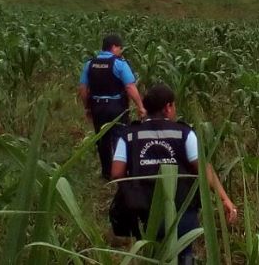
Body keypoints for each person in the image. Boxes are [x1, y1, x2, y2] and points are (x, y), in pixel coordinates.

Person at [109, 83, 237, 264]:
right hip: (181, 210)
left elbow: (116, 172)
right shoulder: (184, 133)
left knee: (151, 254)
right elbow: (203, 168)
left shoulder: (129, 135)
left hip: (144, 213)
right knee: (184, 254)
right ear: (168, 107)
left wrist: (132, 192)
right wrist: (224, 199)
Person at [78, 33, 146, 180]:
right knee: (120, 138)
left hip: (97, 106)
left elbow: (83, 88)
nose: (120, 51)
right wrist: (140, 106)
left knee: (102, 139)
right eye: (120, 48)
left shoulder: (89, 64)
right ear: (114, 47)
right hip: (116, 107)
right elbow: (130, 87)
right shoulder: (119, 64)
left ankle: (107, 173)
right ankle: (121, 172)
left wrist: (87, 107)